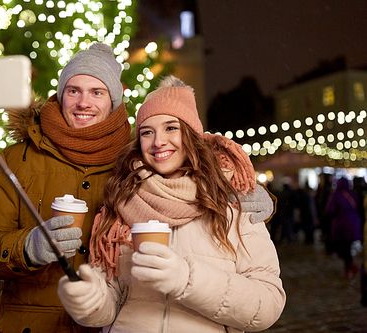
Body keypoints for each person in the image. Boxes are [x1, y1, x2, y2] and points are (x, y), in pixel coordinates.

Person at [0, 43, 275, 332]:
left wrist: (250, 194)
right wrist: (27, 248)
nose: (84, 102)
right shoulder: (18, 159)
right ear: (59, 95)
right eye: (73, 90)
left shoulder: (132, 164)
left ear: (113, 100)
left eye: (97, 92)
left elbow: (204, 175)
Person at [57, 76, 286, 332]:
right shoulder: (121, 202)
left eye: (171, 128)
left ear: (191, 135)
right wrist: (89, 302)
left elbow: (267, 305)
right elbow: (111, 301)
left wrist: (186, 279)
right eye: (147, 132)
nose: (158, 142)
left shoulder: (233, 204)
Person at [325, 177, 362, 279]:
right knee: (347, 246)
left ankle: (351, 266)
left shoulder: (336, 195)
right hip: (354, 223)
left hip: (341, 225)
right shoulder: (352, 194)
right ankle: (350, 267)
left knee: (343, 247)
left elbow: (329, 210)